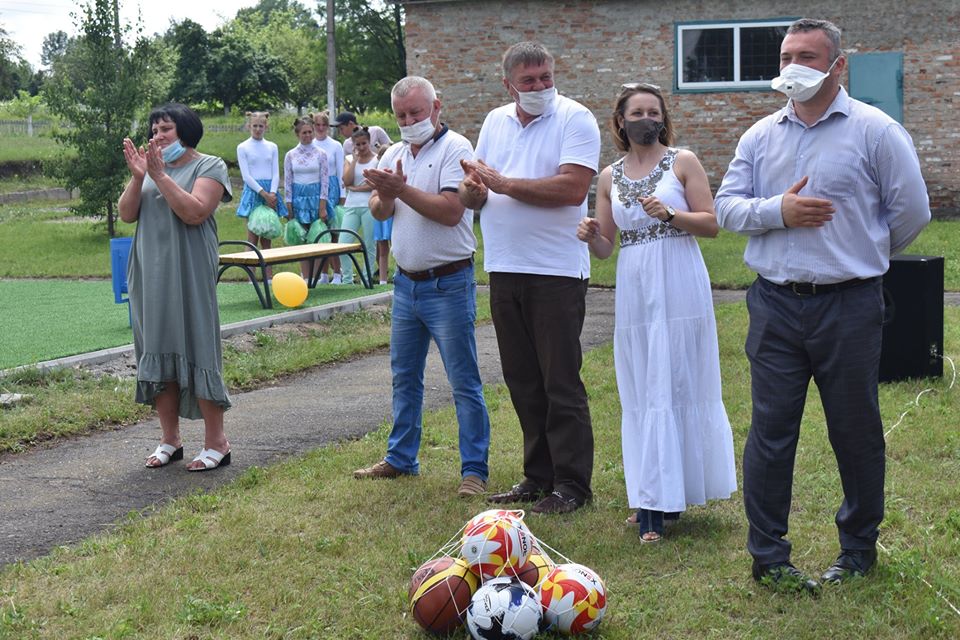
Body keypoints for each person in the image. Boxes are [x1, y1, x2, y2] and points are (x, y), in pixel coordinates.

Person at [715, 18, 931, 592]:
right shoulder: (760, 136)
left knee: (854, 430)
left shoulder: (877, 131)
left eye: (808, 56)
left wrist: (857, 249)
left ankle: (858, 549)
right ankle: (769, 557)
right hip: (776, 305)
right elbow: (726, 208)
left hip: (850, 305)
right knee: (770, 431)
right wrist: (776, 213)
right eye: (787, 55)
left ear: (838, 66)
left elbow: (912, 212)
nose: (793, 66)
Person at [577, 83, 737, 541]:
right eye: (637, 112)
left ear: (663, 119)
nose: (646, 118)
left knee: (679, 376)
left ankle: (673, 494)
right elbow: (608, 247)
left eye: (654, 111)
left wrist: (670, 214)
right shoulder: (608, 176)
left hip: (680, 275)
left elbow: (710, 223)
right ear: (621, 121)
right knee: (645, 382)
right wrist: (590, 235)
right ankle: (652, 491)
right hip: (635, 282)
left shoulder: (683, 161)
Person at [459, 41, 601, 515]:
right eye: (529, 81)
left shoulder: (574, 118)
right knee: (523, 379)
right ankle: (538, 477)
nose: (540, 86)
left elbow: (572, 187)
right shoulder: (495, 121)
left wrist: (503, 185)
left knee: (560, 380)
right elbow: (478, 191)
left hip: (556, 270)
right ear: (508, 85)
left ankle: (572, 485)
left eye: (545, 77)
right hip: (504, 266)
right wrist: (474, 191)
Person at [353, 76, 491, 498]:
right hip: (406, 284)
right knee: (404, 376)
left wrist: (401, 189)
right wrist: (386, 194)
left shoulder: (456, 148)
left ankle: (473, 469)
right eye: (401, 115)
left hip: (447, 281)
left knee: (462, 379)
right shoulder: (394, 151)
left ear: (436, 107)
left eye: (416, 112)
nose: (409, 121)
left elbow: (451, 212)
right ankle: (400, 457)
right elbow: (380, 210)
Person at [118, 103, 233, 472]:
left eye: (165, 129)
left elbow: (195, 211)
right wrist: (138, 178)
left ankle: (217, 442)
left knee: (198, 348)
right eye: (154, 130)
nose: (157, 136)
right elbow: (126, 213)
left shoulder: (209, 166)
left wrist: (160, 176)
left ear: (186, 130)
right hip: (149, 274)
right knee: (156, 351)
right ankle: (170, 440)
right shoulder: (150, 170)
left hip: (189, 272)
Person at [236, 111, 285, 281]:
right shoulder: (243, 147)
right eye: (254, 126)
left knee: (267, 237)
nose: (258, 129)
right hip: (254, 192)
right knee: (252, 236)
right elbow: (246, 176)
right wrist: (263, 193)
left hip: (270, 192)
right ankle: (251, 277)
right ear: (249, 126)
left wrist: (272, 193)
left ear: (266, 126)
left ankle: (269, 276)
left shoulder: (272, 146)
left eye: (261, 126)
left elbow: (276, 173)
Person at [283, 116, 329, 280]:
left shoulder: (321, 153)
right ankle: (306, 276)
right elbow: (288, 182)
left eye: (310, 132)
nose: (308, 135)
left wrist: (322, 206)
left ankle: (317, 277)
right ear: (298, 134)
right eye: (304, 132)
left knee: (316, 238)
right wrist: (289, 206)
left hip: (316, 198)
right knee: (301, 240)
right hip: (298, 199)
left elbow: (325, 181)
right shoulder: (290, 155)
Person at [339, 127, 378, 285]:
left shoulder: (376, 160)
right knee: (343, 243)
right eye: (358, 145)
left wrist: (356, 188)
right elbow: (346, 181)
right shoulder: (349, 159)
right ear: (353, 145)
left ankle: (366, 278)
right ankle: (347, 279)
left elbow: (374, 184)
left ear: (369, 142)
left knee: (369, 244)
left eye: (364, 144)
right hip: (351, 205)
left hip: (369, 204)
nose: (361, 148)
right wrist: (355, 160)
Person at [312, 111, 346, 284]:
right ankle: (323, 273)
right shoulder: (310, 145)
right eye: (317, 125)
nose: (320, 128)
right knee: (320, 232)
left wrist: (342, 195)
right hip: (316, 189)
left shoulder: (335, 146)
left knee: (334, 233)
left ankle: (338, 272)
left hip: (332, 188)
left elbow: (340, 171)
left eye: (323, 125)